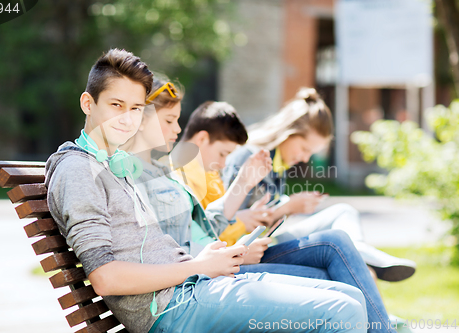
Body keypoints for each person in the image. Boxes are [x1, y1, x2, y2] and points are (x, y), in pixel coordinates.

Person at [45, 48, 367, 333]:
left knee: (349, 296)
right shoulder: (78, 170)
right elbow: (106, 278)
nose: (127, 119)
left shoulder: (115, 163)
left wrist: (203, 262)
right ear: (88, 103)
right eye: (117, 105)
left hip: (195, 286)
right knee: (344, 310)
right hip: (174, 308)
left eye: (135, 109)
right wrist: (198, 266)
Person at [126, 78, 397, 333]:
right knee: (335, 260)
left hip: (219, 267)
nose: (176, 129)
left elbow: (199, 231)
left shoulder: (165, 174)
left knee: (343, 278)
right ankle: (382, 321)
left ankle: (379, 317)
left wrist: (251, 193)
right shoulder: (163, 173)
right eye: (170, 121)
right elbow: (182, 247)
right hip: (205, 280)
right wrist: (270, 214)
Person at [221, 88, 416, 283]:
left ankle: (360, 251)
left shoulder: (279, 164)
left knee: (343, 212)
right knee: (342, 245)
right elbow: (228, 219)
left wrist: (287, 209)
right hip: (248, 253)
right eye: (304, 149)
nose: (305, 158)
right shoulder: (250, 157)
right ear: (287, 133)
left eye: (311, 153)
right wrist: (288, 206)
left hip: (265, 243)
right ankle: (360, 254)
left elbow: (266, 223)